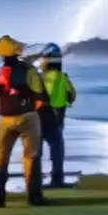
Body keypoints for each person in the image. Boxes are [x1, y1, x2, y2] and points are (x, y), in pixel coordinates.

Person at [0, 34, 49, 208]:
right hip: (27, 117)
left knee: (1, 157)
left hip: (4, 119)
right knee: (31, 156)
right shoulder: (29, 70)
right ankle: (34, 197)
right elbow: (40, 93)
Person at [37, 43, 76, 188]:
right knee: (57, 150)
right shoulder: (62, 78)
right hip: (57, 119)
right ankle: (57, 180)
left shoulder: (38, 77)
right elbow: (72, 96)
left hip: (39, 117)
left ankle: (35, 180)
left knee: (36, 152)